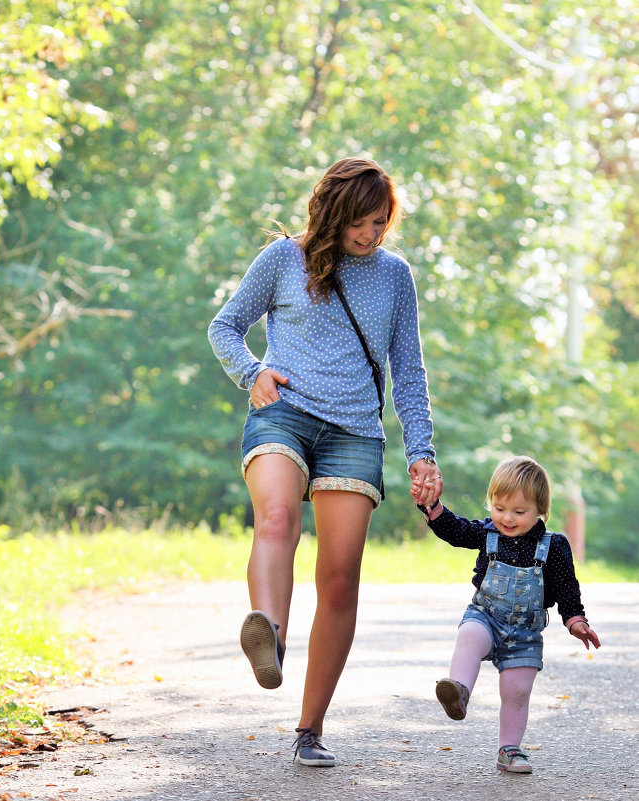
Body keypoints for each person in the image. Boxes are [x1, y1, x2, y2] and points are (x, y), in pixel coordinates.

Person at [208, 157, 442, 766]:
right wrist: (253, 373)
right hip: (284, 413)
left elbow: (408, 372)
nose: (371, 234)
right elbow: (225, 327)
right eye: (360, 222)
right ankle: (270, 635)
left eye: (381, 222)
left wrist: (422, 452)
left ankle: (309, 730)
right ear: (334, 213)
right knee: (276, 519)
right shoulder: (284, 259)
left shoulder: (395, 276)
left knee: (339, 579)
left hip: (355, 432)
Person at [411, 455, 600, 774]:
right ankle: (458, 690)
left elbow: (567, 586)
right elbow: (455, 530)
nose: (507, 518)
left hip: (525, 634)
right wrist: (432, 506)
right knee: (469, 635)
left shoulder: (553, 546)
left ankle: (509, 749)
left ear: (540, 509)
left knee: (518, 691)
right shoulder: (487, 533)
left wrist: (575, 620)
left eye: (519, 512)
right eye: (499, 508)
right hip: (486, 617)